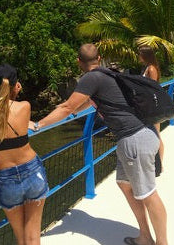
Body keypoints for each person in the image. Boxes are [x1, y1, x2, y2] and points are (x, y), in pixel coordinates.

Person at [33, 44, 166, 245]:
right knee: (124, 183)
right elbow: (89, 102)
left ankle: (162, 242)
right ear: (99, 58)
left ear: (79, 62)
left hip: (134, 139)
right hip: (137, 135)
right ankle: (145, 236)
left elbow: (68, 106)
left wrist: (38, 124)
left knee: (148, 194)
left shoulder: (90, 78)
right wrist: (74, 109)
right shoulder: (108, 74)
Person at [0, 64, 45, 245]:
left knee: (21, 238)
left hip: (7, 178)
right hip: (33, 169)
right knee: (33, 237)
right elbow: (13, 111)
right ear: (16, 86)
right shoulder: (25, 107)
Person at [137, 45, 165, 176]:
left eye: (139, 54)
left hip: (153, 107)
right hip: (147, 106)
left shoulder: (152, 68)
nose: (138, 57)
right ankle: (156, 165)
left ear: (145, 55)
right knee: (153, 135)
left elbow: (153, 88)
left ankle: (160, 165)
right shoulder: (147, 67)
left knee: (156, 135)